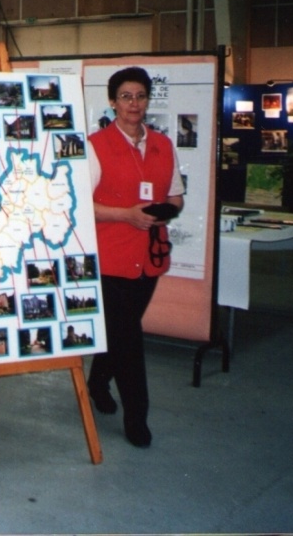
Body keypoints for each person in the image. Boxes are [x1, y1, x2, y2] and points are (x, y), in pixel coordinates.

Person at [86, 66, 184, 448]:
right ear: (112, 102)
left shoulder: (163, 145)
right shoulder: (95, 145)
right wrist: (125, 215)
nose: (134, 104)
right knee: (129, 337)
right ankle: (136, 416)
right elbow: (80, 204)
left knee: (120, 330)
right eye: (125, 96)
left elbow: (176, 196)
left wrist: (163, 210)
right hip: (110, 258)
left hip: (150, 256)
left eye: (140, 96)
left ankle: (97, 381)